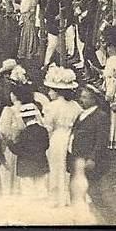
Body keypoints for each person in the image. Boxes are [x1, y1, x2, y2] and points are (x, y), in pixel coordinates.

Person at [68, 85, 112, 219]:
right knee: (74, 191)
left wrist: (93, 158)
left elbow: (101, 140)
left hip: (88, 161)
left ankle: (111, 219)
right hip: (77, 159)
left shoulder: (100, 116)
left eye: (85, 97)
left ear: (94, 99)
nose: (82, 100)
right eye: (81, 97)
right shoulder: (82, 114)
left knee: (94, 193)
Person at [41, 65, 82, 206]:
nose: (49, 92)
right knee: (67, 166)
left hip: (57, 138)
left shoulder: (51, 106)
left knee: (56, 166)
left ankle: (56, 196)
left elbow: (48, 126)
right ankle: (67, 195)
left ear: (58, 91)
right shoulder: (76, 106)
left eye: (51, 90)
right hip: (71, 137)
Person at [9, 101, 50, 199]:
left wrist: (9, 143)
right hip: (40, 164)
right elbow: (46, 146)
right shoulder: (43, 130)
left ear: (23, 118)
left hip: (26, 166)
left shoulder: (24, 133)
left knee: (28, 193)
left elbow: (18, 150)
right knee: (41, 190)